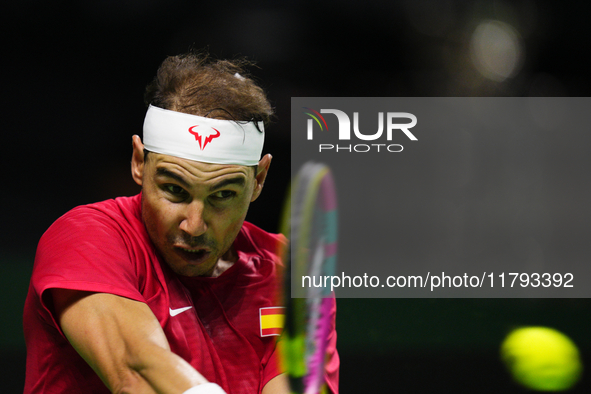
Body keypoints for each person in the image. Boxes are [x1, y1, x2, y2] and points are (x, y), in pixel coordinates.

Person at [23, 53, 339, 394]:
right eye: (174, 190)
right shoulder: (84, 237)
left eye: (222, 195)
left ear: (259, 179)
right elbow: (138, 369)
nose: (194, 225)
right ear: (139, 162)